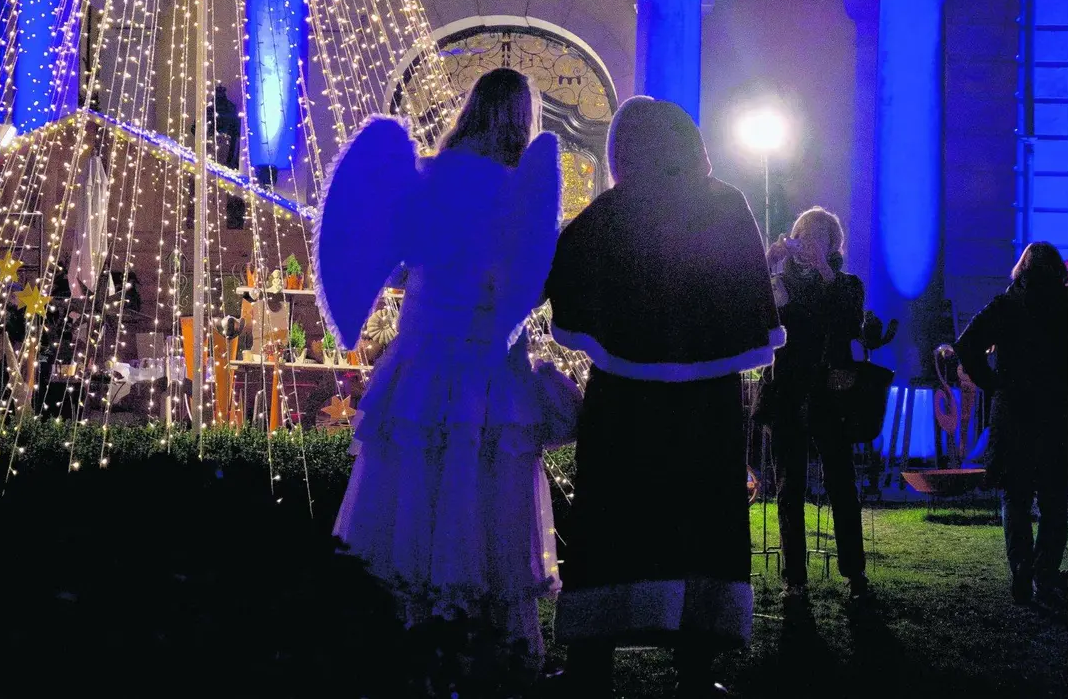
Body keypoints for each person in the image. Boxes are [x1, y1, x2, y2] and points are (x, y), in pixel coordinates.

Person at [313, 68, 580, 679]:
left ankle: (412, 631)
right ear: (521, 119)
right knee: (489, 490)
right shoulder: (525, 187)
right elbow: (530, 281)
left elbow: (397, 269)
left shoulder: (425, 177)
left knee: (414, 485)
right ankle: (495, 642)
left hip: (424, 355)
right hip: (488, 357)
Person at [546, 97, 784, 699]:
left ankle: (591, 664)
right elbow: (751, 297)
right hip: (705, 408)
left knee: (609, 523)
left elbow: (563, 278)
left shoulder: (608, 213)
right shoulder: (726, 206)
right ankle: (697, 667)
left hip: (624, 404)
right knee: (702, 524)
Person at [756, 207, 870, 603]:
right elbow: (757, 316)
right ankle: (795, 579)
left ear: (832, 244)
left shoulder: (846, 283)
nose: (808, 245)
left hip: (830, 394)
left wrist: (824, 270)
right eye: (802, 235)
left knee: (841, 484)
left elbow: (850, 322)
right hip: (787, 391)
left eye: (818, 238)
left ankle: (855, 575)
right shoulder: (781, 281)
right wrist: (766, 265)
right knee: (789, 487)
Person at [953, 241, 1068, 605]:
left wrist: (991, 384)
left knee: (1015, 497)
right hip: (1057, 413)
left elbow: (967, 345)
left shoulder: (1006, 305)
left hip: (1013, 411)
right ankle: (1045, 573)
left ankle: (1020, 568)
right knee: (1054, 501)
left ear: (1021, 270)